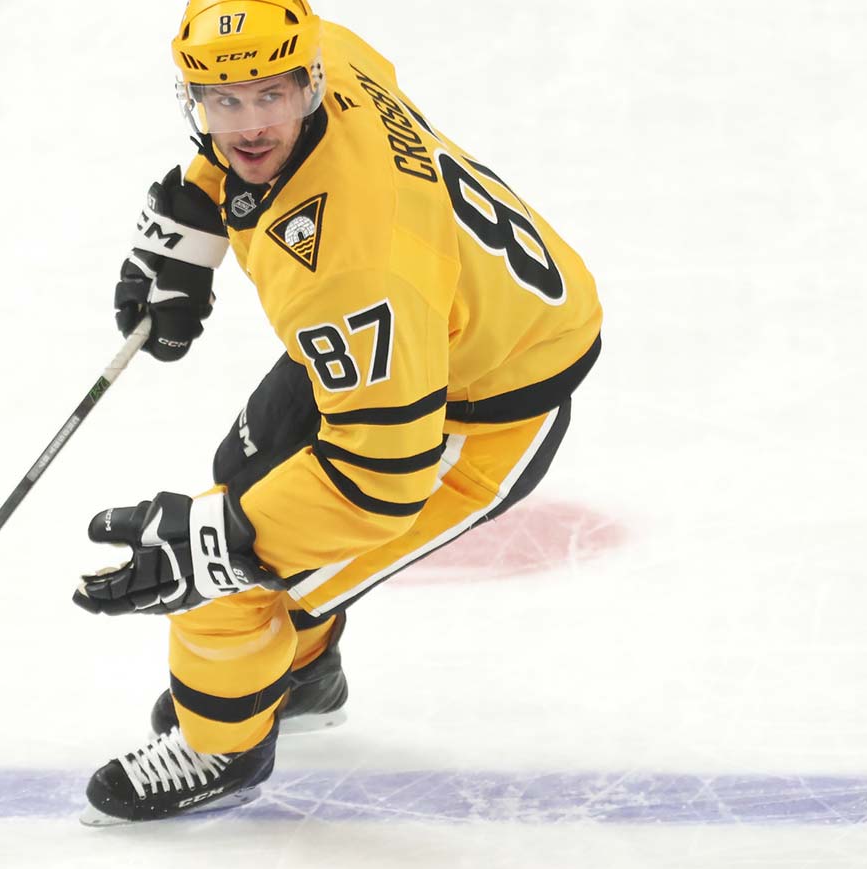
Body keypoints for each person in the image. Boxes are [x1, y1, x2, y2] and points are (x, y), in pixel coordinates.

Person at [72, 0, 603, 825]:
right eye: (223, 99)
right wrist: (194, 215)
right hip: (437, 329)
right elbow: (243, 158)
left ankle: (223, 748)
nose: (248, 125)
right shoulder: (336, 57)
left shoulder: (350, 271)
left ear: (308, 82)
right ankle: (301, 674)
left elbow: (381, 477)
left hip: (475, 411)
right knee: (244, 473)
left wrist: (222, 542)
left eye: (271, 97)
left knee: (230, 569)